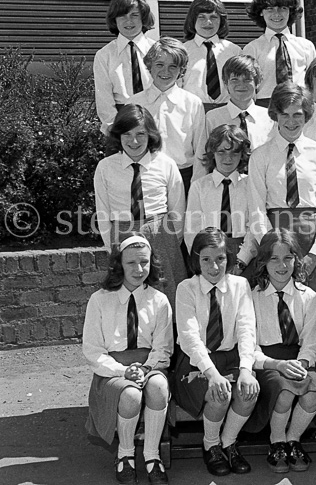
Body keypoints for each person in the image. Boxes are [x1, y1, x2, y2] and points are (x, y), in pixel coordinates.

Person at [82, 234, 173, 485]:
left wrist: (145, 368)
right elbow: (92, 350)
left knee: (159, 387)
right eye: (131, 263)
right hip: (112, 371)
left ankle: (152, 455)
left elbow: (163, 347)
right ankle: (125, 455)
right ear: (118, 264)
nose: (139, 269)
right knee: (130, 395)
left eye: (144, 262)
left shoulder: (159, 300)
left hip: (149, 366)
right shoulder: (100, 300)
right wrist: (123, 371)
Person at [173, 228, 260, 476]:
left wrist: (246, 369)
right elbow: (189, 338)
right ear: (196, 260)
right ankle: (210, 445)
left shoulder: (240, 285)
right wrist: (211, 373)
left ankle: (229, 442)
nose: (214, 267)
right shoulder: (186, 288)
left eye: (220, 259)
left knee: (249, 391)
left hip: (229, 356)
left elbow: (246, 328)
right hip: (196, 362)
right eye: (206, 260)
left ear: (229, 259)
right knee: (219, 392)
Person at [248, 82, 316, 303]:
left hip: (313, 241)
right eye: (284, 114)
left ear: (306, 115)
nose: (291, 121)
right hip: (275, 239)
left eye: (297, 114)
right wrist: (272, 253)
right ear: (275, 115)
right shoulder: (260, 156)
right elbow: (257, 209)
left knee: (315, 308)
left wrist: (315, 254)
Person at [243, 229, 316, 473]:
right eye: (274, 259)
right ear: (263, 262)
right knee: (285, 392)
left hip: (298, 360)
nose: (281, 265)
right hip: (266, 364)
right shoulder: (251, 297)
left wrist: (303, 363)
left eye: (288, 258)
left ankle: (293, 440)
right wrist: (273, 364)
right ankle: (276, 441)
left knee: (312, 393)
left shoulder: (308, 297)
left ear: (296, 261)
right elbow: (248, 343)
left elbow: (312, 340)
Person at [93, 104, 187, 307]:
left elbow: (177, 209)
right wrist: (114, 248)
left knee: (166, 298)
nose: (133, 141)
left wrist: (169, 240)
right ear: (118, 136)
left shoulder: (165, 164)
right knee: (129, 301)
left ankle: (170, 337)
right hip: (123, 235)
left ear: (151, 135)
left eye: (140, 134)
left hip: (161, 235)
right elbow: (102, 212)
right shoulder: (106, 167)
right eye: (126, 134)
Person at [127, 36, 205, 189]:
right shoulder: (134, 103)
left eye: (173, 66)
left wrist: (197, 185)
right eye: (159, 65)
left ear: (181, 70)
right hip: (147, 174)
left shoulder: (192, 103)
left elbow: (201, 148)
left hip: (183, 176)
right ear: (149, 66)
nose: (165, 71)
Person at [186, 124, 256, 274]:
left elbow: (255, 226)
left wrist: (242, 260)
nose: (228, 158)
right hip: (209, 253)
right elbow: (192, 230)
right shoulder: (199, 187)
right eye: (221, 152)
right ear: (212, 153)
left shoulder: (250, 185)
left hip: (243, 253)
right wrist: (204, 260)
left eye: (235, 152)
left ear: (243, 154)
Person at [195, 54, 274, 182]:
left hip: (262, 185)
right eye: (234, 80)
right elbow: (202, 158)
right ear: (226, 84)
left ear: (257, 83)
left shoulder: (269, 118)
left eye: (247, 79)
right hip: (226, 188)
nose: (241, 85)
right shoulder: (213, 118)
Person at [244, 0, 316, 107]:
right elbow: (249, 87)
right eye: (270, 9)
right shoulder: (252, 49)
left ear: (290, 11)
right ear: (261, 12)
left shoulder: (306, 46)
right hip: (265, 107)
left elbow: (314, 82)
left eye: (283, 8)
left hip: (300, 105)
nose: (276, 14)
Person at [94, 0, 155, 135]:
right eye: (122, 16)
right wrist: (116, 129)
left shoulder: (157, 51)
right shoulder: (104, 55)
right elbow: (104, 99)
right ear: (114, 19)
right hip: (120, 125)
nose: (129, 21)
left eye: (134, 15)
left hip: (155, 123)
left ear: (143, 17)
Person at [181, 0, 242, 112]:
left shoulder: (234, 51)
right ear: (192, 20)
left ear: (221, 21)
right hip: (193, 111)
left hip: (227, 111)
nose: (208, 22)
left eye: (214, 17)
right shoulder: (182, 51)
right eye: (201, 17)